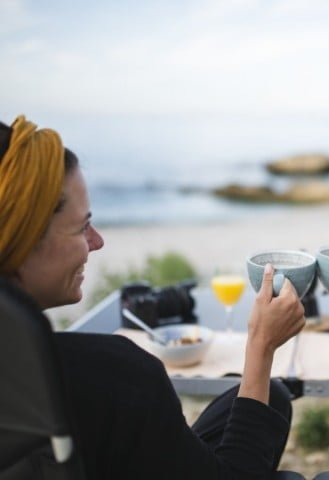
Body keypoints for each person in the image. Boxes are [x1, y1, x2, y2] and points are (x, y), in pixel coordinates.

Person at [0, 116, 306, 479]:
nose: (97, 242)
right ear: (22, 241)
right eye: (82, 227)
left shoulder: (29, 379)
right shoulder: (116, 376)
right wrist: (261, 346)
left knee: (274, 398)